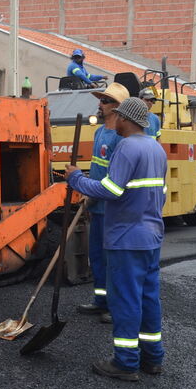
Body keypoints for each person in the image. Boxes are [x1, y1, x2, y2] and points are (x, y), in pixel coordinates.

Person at [66, 97, 168, 382]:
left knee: (125, 300)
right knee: (149, 298)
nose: (115, 121)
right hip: (150, 236)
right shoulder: (156, 149)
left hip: (126, 237)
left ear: (126, 119)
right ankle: (153, 358)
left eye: (119, 116)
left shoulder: (126, 147)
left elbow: (111, 189)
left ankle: (125, 362)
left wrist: (76, 179)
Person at [75, 83, 129, 324]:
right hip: (96, 203)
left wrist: (94, 192)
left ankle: (114, 306)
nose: (100, 104)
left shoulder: (120, 138)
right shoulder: (99, 133)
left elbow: (116, 177)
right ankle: (100, 300)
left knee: (111, 260)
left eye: (106, 101)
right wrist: (88, 193)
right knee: (96, 256)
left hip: (111, 207)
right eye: (101, 100)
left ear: (117, 107)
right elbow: (96, 169)